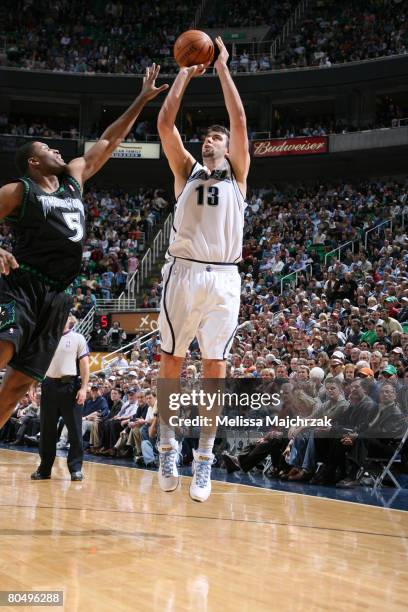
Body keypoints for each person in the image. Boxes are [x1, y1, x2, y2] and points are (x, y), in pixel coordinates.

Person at [0, 65, 168, 430]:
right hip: (23, 286)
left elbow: (108, 142)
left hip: (59, 299)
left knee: (17, 387)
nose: (56, 150)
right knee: (2, 352)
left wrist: (141, 99)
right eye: (46, 148)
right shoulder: (19, 191)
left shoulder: (73, 178)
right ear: (33, 161)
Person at [157, 37, 250, 502]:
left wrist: (222, 68)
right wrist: (185, 73)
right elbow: (165, 123)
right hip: (184, 271)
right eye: (207, 137)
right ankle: (169, 445)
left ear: (230, 148)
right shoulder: (186, 171)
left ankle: (205, 460)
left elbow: (239, 119)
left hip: (225, 277)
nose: (210, 140)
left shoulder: (238, 174)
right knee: (172, 362)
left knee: (215, 367)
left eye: (218, 138)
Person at [31, 315, 90, 481]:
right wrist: (32, 384)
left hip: (70, 387)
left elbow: (84, 364)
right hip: (48, 386)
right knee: (47, 430)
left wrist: (84, 388)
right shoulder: (47, 337)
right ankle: (44, 469)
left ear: (69, 320)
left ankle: (76, 469)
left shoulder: (78, 338)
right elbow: (39, 362)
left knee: (75, 431)